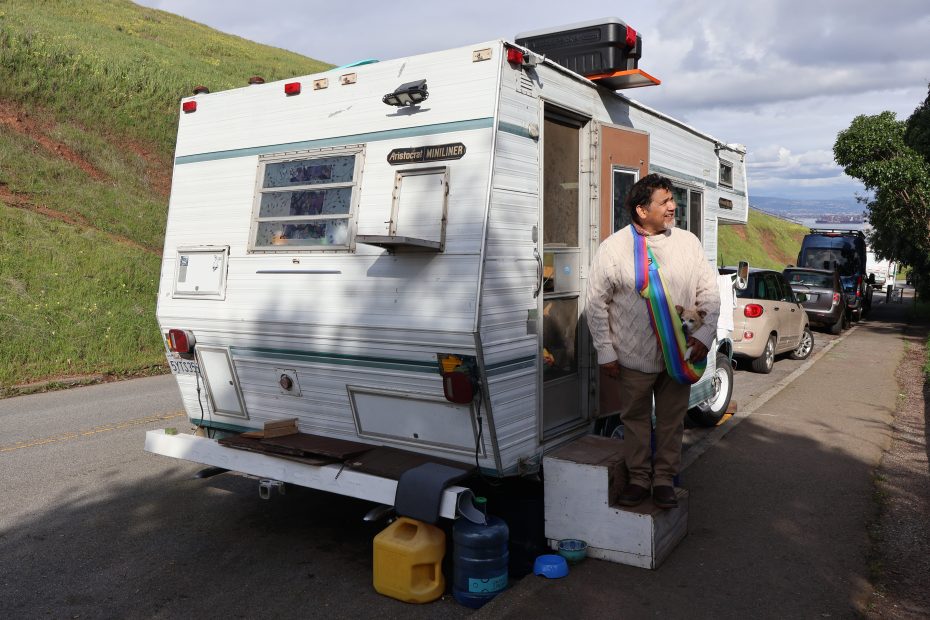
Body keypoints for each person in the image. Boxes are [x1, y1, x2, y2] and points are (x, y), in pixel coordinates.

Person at [586, 174, 720, 509]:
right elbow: (595, 302)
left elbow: (710, 294)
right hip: (633, 358)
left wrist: (705, 334)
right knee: (635, 422)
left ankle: (663, 480)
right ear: (642, 210)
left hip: (680, 356)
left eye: (673, 199)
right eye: (665, 201)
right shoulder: (614, 248)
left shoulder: (688, 242)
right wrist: (606, 351)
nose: (673, 206)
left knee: (673, 422)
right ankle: (638, 480)